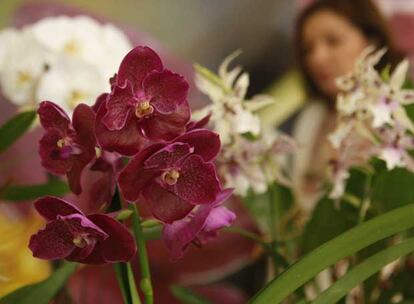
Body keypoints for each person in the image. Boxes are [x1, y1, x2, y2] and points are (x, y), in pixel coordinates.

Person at [291, 0, 403, 212]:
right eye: (308, 49)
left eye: (333, 41)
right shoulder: (311, 118)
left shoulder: (398, 109)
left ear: (372, 41)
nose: (317, 58)